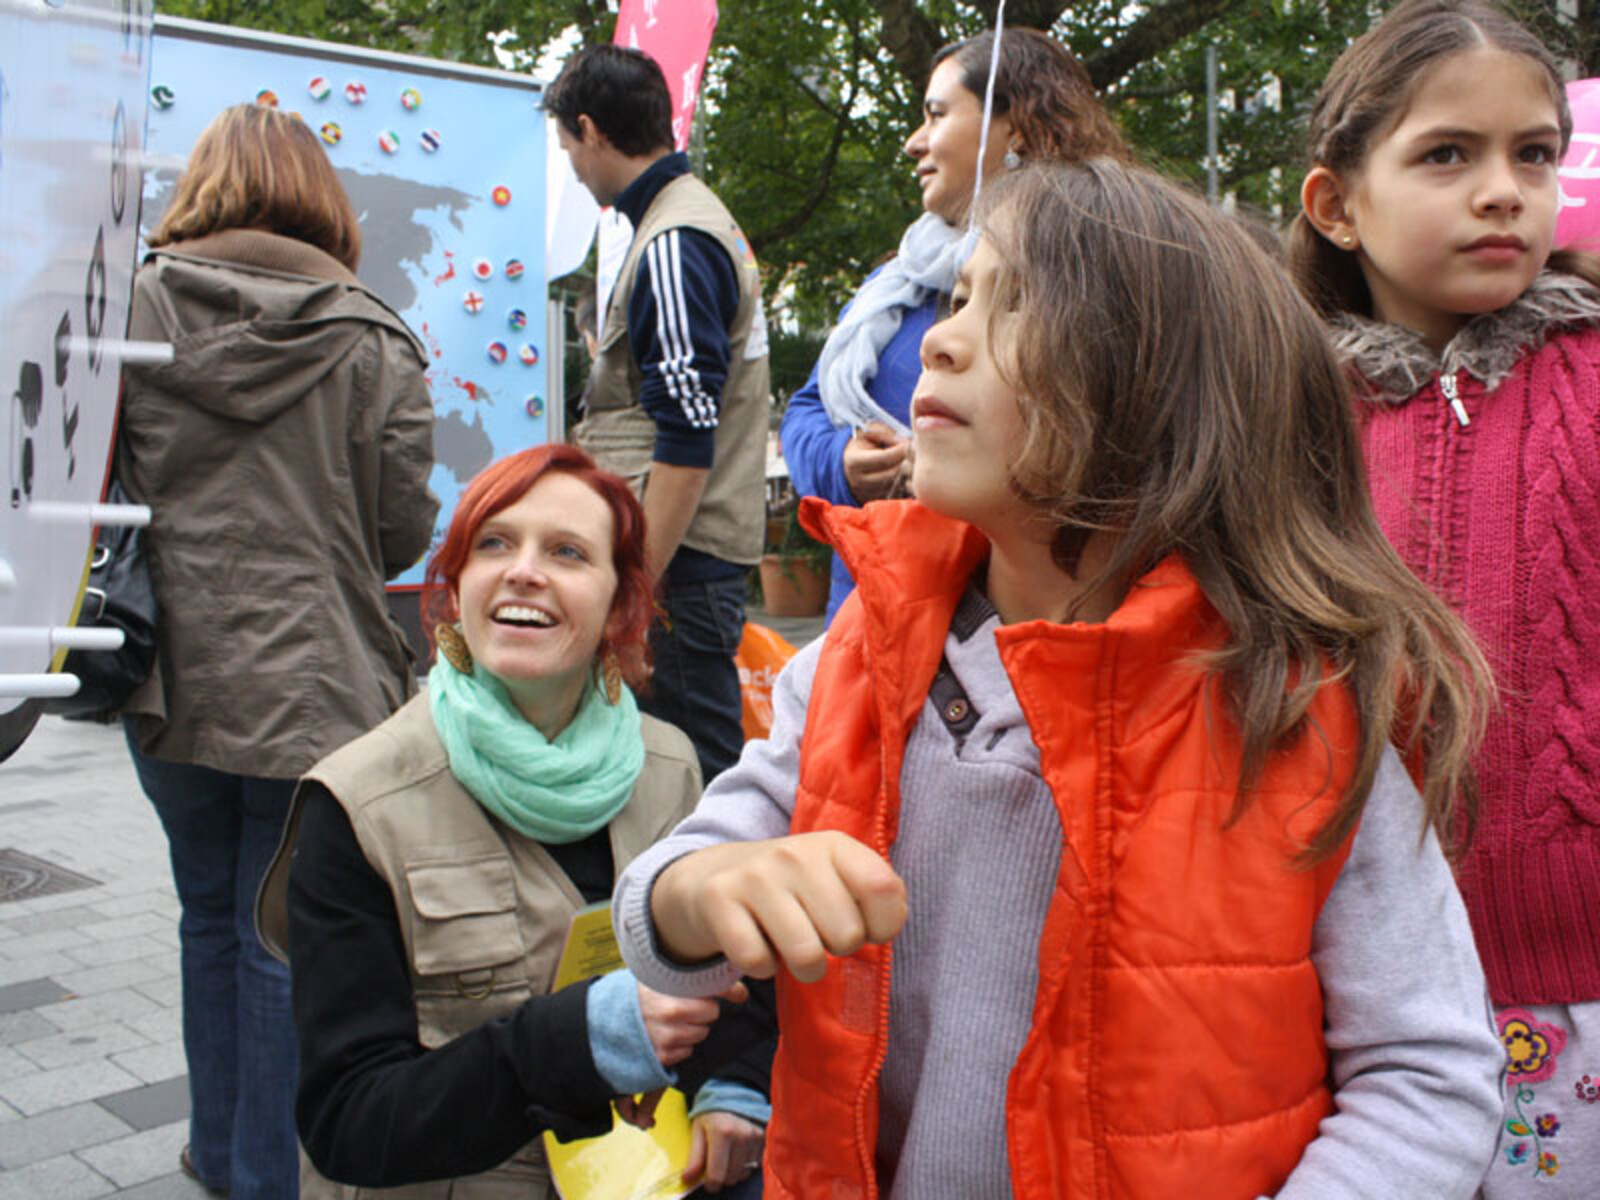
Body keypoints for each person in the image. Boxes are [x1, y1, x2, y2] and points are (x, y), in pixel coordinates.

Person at [613, 159, 1506, 1199]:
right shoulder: (862, 651)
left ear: (1171, 393)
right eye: (958, 297)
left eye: (1016, 308)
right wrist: (701, 891)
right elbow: (659, 922)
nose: (941, 339)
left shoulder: (1297, 708)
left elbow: (1429, 1077)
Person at [257, 444, 772, 1198]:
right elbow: (348, 1121)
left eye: (567, 552)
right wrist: (581, 1040)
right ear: (458, 584)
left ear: (622, 604)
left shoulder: (672, 768)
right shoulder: (357, 804)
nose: (524, 570)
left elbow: (731, 986)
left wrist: (733, 1085)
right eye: (494, 543)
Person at [1291, 2, 1600, 1194]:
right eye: (1445, 154)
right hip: (1343, 987)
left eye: (1531, 152)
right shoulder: (1279, 418)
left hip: (1576, 978)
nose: (1503, 191)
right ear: (1336, 205)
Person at [115, 103, 438, 1200]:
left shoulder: (126, 309)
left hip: (169, 677)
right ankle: (266, 1178)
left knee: (206, 912)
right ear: (322, 201)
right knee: (277, 933)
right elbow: (400, 530)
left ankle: (219, 1152)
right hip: (317, 684)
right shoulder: (372, 335)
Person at [779, 28, 1128, 623]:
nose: (914, 143)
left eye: (936, 115)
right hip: (870, 614)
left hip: (1019, 626)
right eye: (962, 297)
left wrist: (955, 464)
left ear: (1013, 127)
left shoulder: (1103, 273)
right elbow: (804, 413)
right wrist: (843, 463)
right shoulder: (893, 282)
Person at [545, 44, 770, 783]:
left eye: (568, 146)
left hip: (680, 569)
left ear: (590, 129)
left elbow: (685, 441)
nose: (573, 168)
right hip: (684, 564)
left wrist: (635, 588)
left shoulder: (672, 243)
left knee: (688, 776)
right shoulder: (680, 224)